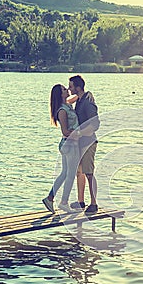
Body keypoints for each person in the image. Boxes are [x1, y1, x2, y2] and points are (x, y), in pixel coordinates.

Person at [42, 84, 81, 214]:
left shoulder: (67, 104)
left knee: (64, 173)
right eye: (65, 89)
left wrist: (83, 93)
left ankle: (49, 198)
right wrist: (81, 133)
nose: (68, 90)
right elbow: (65, 131)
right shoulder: (62, 110)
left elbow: (76, 97)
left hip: (68, 144)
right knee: (70, 175)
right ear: (60, 95)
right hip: (70, 144)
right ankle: (64, 202)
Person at [68, 75, 100, 214]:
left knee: (89, 173)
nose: (69, 88)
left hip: (88, 142)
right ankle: (81, 202)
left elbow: (95, 124)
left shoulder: (87, 103)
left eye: (71, 86)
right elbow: (69, 99)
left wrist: (79, 133)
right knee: (79, 172)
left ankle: (94, 203)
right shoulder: (81, 99)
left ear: (78, 87)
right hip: (80, 143)